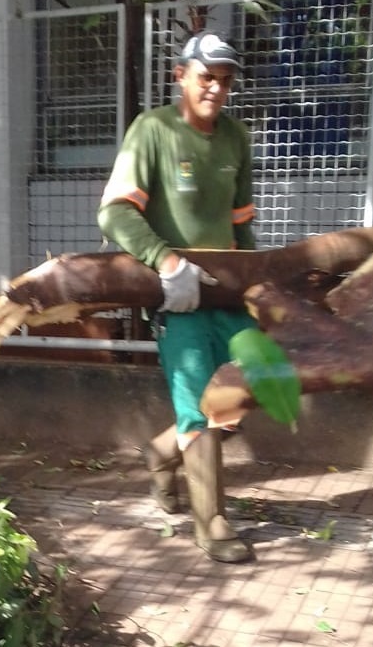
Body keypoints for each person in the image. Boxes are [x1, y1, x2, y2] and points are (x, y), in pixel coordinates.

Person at [97, 30, 257, 563]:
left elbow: (243, 226)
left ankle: (162, 453)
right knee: (199, 406)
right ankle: (211, 523)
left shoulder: (236, 138)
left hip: (228, 297)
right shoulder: (153, 131)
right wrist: (168, 263)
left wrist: (254, 286)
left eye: (225, 80)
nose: (216, 88)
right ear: (180, 76)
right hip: (179, 299)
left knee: (253, 385)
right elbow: (116, 211)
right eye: (206, 77)